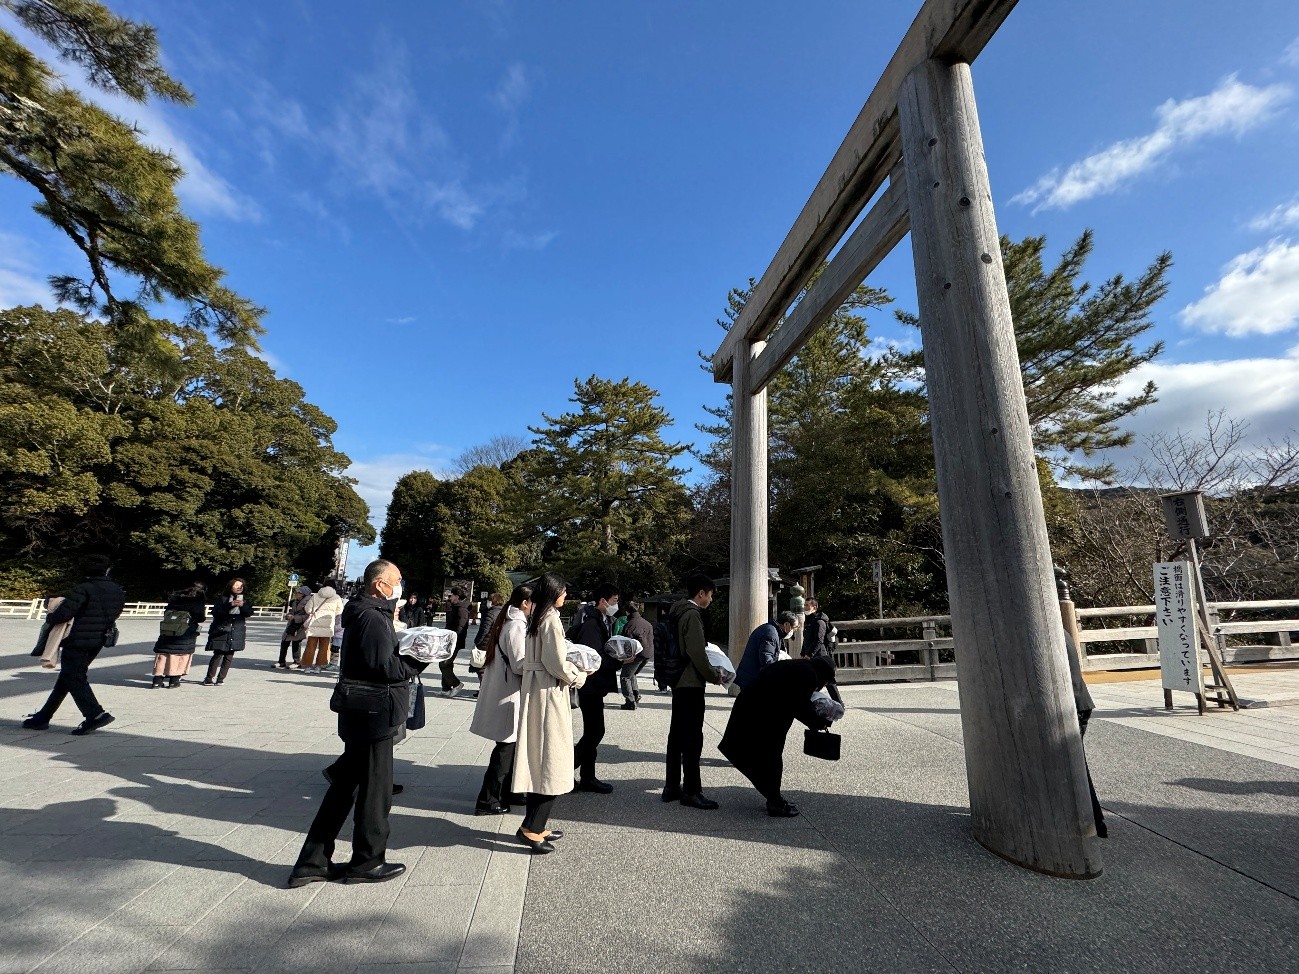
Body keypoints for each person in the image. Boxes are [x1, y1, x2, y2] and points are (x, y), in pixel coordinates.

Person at [287, 559, 429, 887]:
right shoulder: (372, 617)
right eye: (397, 580)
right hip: (374, 712)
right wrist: (419, 660)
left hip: (359, 708)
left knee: (343, 788)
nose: (400, 585)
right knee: (376, 792)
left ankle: (312, 860)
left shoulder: (362, 612)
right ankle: (367, 860)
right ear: (380, 585)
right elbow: (386, 668)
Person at [512, 572, 586, 854]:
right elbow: (555, 662)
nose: (566, 595)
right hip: (548, 691)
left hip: (537, 688)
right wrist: (578, 675)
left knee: (541, 758)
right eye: (563, 590)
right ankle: (531, 828)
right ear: (555, 592)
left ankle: (536, 825)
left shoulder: (536, 617)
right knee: (552, 760)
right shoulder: (550, 618)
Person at [719, 656, 836, 817]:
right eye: (826, 682)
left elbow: (795, 701)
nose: (822, 686)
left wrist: (815, 721)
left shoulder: (799, 666)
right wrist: (818, 723)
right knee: (771, 756)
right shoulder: (808, 675)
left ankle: (774, 797)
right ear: (822, 675)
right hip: (760, 713)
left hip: (753, 707)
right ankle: (775, 802)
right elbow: (800, 705)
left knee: (767, 755)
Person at [22, 554, 126, 735]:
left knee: (74, 677)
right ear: (107, 570)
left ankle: (95, 713)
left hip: (77, 639)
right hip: (99, 638)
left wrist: (51, 616)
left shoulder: (83, 588)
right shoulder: (116, 590)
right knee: (68, 677)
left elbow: (64, 614)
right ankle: (43, 716)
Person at [469, 584, 533, 815]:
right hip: (509, 693)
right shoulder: (516, 625)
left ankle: (509, 792)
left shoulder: (510, 621)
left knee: (510, 747)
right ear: (525, 603)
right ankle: (488, 798)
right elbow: (518, 664)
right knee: (506, 749)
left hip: (506, 690)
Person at [663, 575, 723, 809]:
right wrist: (712, 675)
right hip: (690, 682)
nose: (710, 599)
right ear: (701, 593)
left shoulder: (675, 611)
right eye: (710, 595)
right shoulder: (692, 615)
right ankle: (692, 790)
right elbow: (697, 651)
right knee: (692, 738)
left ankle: (671, 786)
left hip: (677, 679)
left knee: (676, 736)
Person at [572, 581, 620, 793]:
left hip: (594, 685)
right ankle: (564, 771)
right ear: (603, 601)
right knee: (595, 731)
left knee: (593, 731)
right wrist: (619, 660)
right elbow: (593, 658)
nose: (616, 605)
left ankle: (588, 776)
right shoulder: (592, 623)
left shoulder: (598, 619)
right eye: (614, 601)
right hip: (590, 684)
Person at [1065, 631, 1107, 839]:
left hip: (1072, 706)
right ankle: (1095, 822)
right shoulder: (1055, 628)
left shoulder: (1046, 629)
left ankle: (1093, 822)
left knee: (1074, 767)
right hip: (1077, 703)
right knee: (1075, 765)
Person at [151, 582, 208, 688]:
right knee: (181, 654)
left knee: (163, 654)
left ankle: (157, 680)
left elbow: (166, 613)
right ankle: (174, 680)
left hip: (168, 630)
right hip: (186, 631)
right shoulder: (197, 600)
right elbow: (200, 617)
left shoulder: (175, 598)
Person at [203, 578, 254, 686]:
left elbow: (249, 613)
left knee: (229, 655)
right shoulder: (223, 598)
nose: (239, 587)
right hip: (222, 629)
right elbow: (216, 613)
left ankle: (221, 678)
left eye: (241, 586)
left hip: (236, 630)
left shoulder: (245, 599)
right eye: (236, 585)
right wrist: (230, 605)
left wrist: (242, 605)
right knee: (218, 654)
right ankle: (209, 678)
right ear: (230, 586)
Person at [735, 612, 800, 690]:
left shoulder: (770, 629)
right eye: (795, 627)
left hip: (750, 677)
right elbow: (766, 660)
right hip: (754, 679)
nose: (795, 630)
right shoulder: (771, 634)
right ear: (786, 624)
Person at [800, 598, 842, 703]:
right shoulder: (809, 620)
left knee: (829, 681)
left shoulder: (819, 621)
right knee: (812, 679)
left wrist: (809, 654)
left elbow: (819, 640)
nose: (805, 607)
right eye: (804, 605)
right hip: (811, 654)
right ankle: (809, 702)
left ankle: (839, 703)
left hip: (820, 654)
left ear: (814, 607)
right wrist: (803, 652)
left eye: (807, 605)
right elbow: (807, 639)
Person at [300, 582, 344, 674]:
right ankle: (318, 667)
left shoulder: (316, 596)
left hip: (314, 625)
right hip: (328, 626)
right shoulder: (336, 598)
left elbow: (308, 609)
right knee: (324, 647)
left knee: (310, 647)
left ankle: (307, 666)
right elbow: (339, 611)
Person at [619, 601, 654, 710]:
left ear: (627, 612)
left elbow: (627, 643)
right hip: (648, 654)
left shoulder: (630, 624)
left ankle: (630, 701)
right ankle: (635, 694)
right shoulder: (647, 623)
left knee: (625, 676)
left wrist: (626, 658)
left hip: (636, 655)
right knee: (632, 674)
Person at [440, 587, 471, 697]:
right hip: (449, 639)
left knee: (444, 664)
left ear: (457, 596)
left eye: (451, 595)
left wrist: (454, 640)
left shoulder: (461, 609)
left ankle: (456, 684)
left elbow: (461, 627)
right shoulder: (455, 607)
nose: (450, 598)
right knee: (446, 663)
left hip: (454, 641)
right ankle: (446, 688)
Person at [278, 585, 311, 668]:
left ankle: (296, 662)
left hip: (300, 625)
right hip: (292, 624)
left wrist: (295, 618)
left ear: (303, 594)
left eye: (298, 592)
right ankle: (281, 661)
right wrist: (289, 615)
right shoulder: (295, 601)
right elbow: (292, 611)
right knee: (284, 641)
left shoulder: (309, 602)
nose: (296, 594)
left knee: (296, 642)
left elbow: (308, 615)